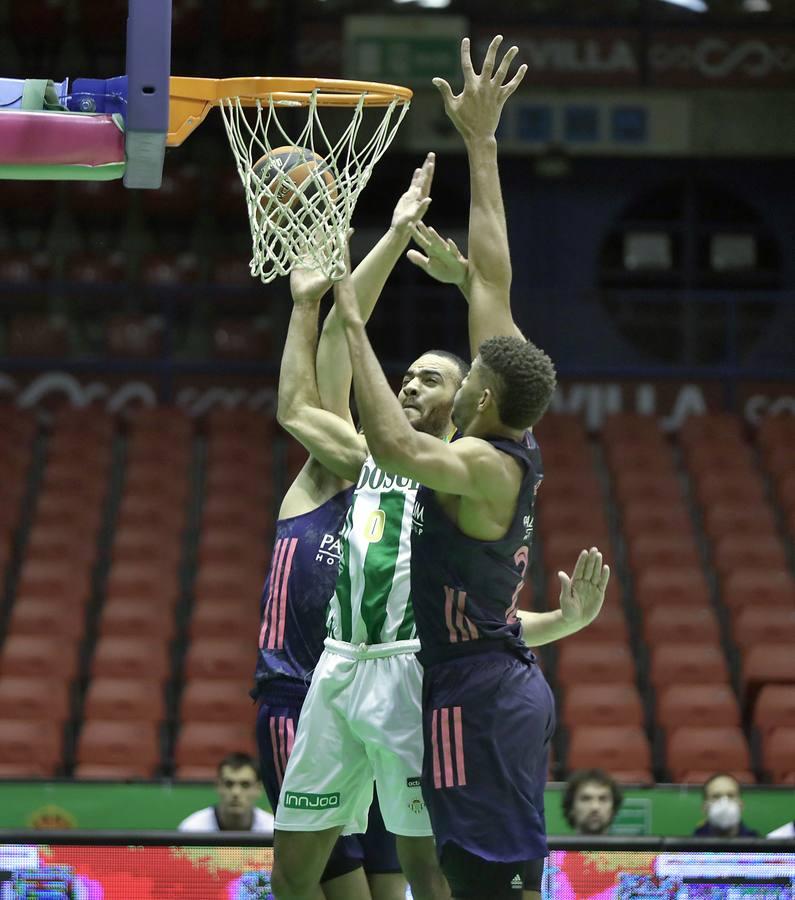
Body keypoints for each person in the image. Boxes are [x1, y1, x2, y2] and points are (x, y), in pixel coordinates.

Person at [330, 33, 611, 900]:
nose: (464, 356)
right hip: (484, 677)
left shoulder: (482, 465)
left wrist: (350, 321)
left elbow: (393, 447)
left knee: (484, 883)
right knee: (483, 875)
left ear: (478, 400)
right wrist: (480, 143)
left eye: (467, 368)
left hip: (477, 696)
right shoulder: (506, 417)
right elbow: (493, 268)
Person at [255, 159, 437, 900]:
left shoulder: (433, 491)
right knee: (327, 887)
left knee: (393, 887)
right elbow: (335, 333)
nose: (404, 389)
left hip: (389, 695)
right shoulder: (336, 470)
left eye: (427, 382)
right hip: (300, 696)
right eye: (404, 381)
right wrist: (392, 235)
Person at [177, 752, 275, 833]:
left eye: (245, 785)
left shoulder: (271, 830)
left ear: (258, 789)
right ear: (218, 786)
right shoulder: (192, 829)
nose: (235, 792)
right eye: (229, 784)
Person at [692, 773, 759, 837]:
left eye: (731, 796)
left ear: (741, 805)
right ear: (704, 807)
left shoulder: (757, 845)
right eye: (716, 796)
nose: (724, 802)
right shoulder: (692, 846)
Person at [562, 769, 623, 836]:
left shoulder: (629, 847)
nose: (595, 807)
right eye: (586, 799)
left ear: (613, 809)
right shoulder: (556, 846)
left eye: (603, 799)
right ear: (571, 808)